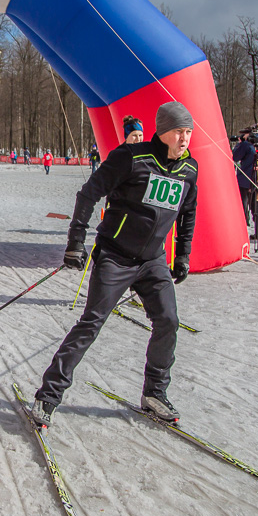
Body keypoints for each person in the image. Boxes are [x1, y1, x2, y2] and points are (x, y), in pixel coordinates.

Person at [30, 102, 198, 428]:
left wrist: (183, 255)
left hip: (152, 261)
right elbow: (88, 194)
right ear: (162, 131)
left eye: (188, 132)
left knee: (168, 321)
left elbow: (188, 212)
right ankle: (47, 397)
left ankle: (154, 393)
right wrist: (75, 243)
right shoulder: (131, 157)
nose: (185, 138)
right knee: (91, 323)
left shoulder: (189, 169)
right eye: (179, 131)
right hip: (115, 257)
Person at [231, 130, 258, 240]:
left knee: (244, 206)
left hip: (246, 179)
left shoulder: (246, 145)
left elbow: (234, 157)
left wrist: (240, 144)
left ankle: (242, 229)